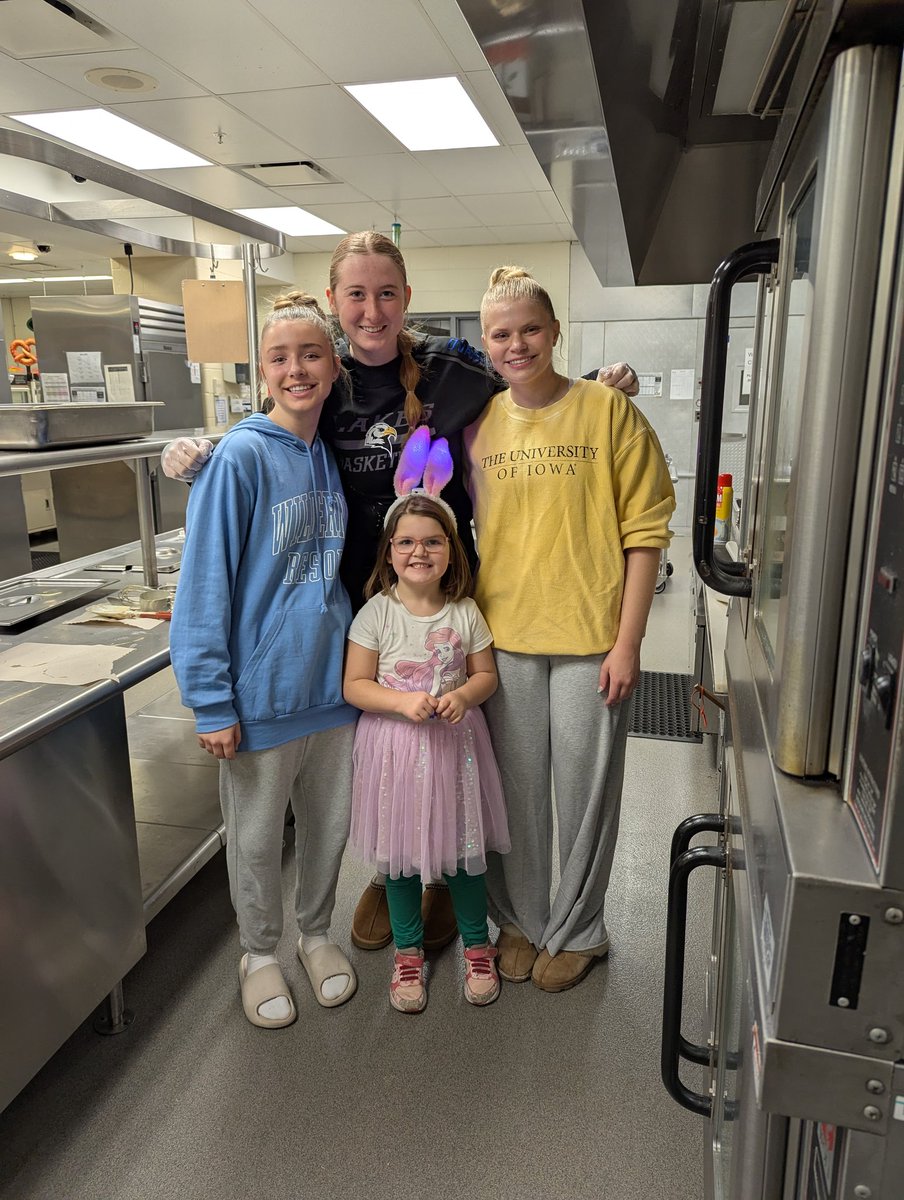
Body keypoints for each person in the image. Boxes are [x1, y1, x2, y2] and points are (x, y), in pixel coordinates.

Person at [161, 230, 639, 955]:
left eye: (387, 292)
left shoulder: (454, 368)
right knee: (385, 754)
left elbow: (529, 377)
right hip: (355, 613)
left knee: (452, 743)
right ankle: (396, 872)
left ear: (407, 297)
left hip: (448, 602)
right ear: (334, 301)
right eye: (355, 294)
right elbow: (279, 417)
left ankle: (450, 872)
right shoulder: (328, 375)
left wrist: (601, 382)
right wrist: (208, 446)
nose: (372, 309)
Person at [464, 265, 675, 992]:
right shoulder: (479, 425)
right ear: (486, 345)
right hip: (506, 639)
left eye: (529, 329)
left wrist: (629, 642)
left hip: (591, 640)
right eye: (501, 334)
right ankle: (519, 922)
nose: (516, 344)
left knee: (584, 792)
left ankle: (581, 930)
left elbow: (646, 533)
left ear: (555, 332)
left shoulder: (609, 413)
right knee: (514, 795)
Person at [169, 292, 358, 1028]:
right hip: (260, 699)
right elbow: (204, 585)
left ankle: (316, 935)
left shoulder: (326, 456)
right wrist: (211, 701)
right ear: (263, 370)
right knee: (254, 841)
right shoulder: (239, 457)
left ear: (333, 364)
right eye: (279, 357)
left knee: (327, 829)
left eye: (310, 353)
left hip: (331, 691)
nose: (296, 369)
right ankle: (259, 953)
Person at [342, 439, 509, 1012]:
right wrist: (398, 702)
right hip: (395, 752)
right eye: (408, 542)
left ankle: (476, 944)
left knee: (464, 851)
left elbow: (485, 674)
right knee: (400, 855)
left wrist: (463, 694)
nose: (420, 551)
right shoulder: (376, 614)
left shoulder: (464, 611)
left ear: (450, 549)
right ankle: (408, 955)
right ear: (389, 551)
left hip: (456, 752)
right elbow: (355, 686)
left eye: (433, 541)